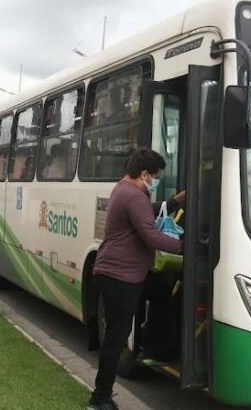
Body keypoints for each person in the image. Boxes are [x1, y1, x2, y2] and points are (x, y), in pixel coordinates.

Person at [87, 148, 185, 410]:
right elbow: (152, 237)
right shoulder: (134, 196)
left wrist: (175, 202)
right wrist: (188, 247)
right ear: (144, 174)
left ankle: (155, 346)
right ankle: (100, 398)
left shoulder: (125, 189)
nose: (156, 180)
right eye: (155, 176)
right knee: (116, 338)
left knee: (164, 291)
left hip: (122, 273)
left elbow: (147, 212)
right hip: (120, 276)